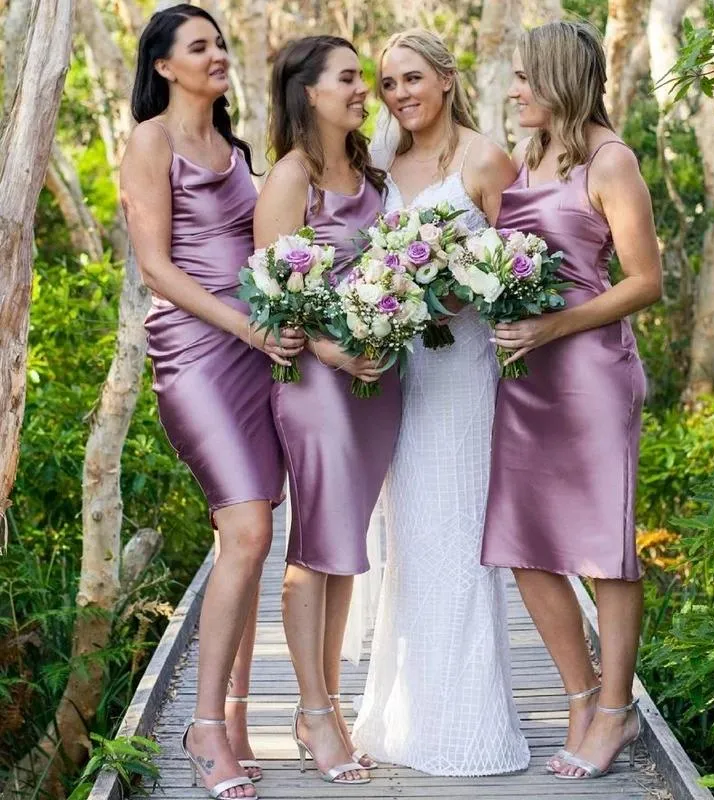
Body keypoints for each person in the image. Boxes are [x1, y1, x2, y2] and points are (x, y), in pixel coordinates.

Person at [120, 5, 304, 798]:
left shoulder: (233, 148)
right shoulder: (149, 143)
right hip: (196, 354)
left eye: (220, 42)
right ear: (163, 65)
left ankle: (233, 713)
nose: (218, 54)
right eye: (200, 46)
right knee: (249, 525)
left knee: (252, 535)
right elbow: (157, 267)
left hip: (260, 348)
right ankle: (203, 730)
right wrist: (248, 327)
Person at [481, 21, 663, 781]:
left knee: (605, 554)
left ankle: (615, 712)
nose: (515, 90)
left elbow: (644, 281)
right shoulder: (527, 157)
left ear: (559, 78)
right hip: (526, 382)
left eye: (525, 77)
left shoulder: (610, 160)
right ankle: (581, 695)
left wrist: (553, 322)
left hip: (589, 376)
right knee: (522, 547)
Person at [352, 29, 530, 777]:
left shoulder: (486, 159)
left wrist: (460, 291)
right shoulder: (382, 163)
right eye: (389, 84)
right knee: (409, 538)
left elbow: (523, 266)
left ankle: (468, 724)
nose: (401, 95)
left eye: (413, 78)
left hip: (462, 374)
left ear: (448, 79)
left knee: (458, 532)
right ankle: (402, 715)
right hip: (399, 369)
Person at [253, 35, 401, 785]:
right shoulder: (291, 179)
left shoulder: (370, 174)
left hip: (376, 382)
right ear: (309, 92)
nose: (362, 89)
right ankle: (313, 714)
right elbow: (272, 292)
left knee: (342, 545)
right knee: (315, 547)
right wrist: (333, 349)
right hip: (316, 382)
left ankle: (328, 705)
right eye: (347, 78)